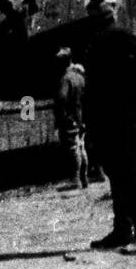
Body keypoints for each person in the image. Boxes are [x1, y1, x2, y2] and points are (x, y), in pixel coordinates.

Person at [82, 0, 136, 254]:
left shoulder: (120, 39)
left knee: (129, 176)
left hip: (123, 121)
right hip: (108, 121)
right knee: (118, 176)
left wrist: (135, 117)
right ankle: (123, 230)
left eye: (96, 13)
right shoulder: (101, 40)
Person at [53, 48, 88, 190]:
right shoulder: (80, 77)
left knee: (73, 148)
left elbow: (62, 97)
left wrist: (61, 116)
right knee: (81, 146)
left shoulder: (66, 79)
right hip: (80, 116)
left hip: (70, 118)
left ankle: (75, 179)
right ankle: (84, 178)